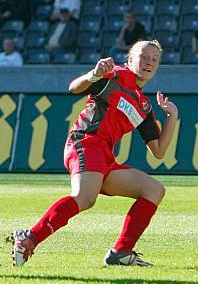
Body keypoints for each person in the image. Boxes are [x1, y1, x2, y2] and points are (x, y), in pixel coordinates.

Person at [10, 40, 179, 267]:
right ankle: (29, 238)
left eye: (154, 60)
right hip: (85, 142)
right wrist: (94, 73)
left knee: (154, 189)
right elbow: (74, 88)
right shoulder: (115, 76)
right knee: (85, 198)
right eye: (144, 56)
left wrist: (172, 118)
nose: (149, 62)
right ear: (130, 60)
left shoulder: (143, 106)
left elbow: (158, 151)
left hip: (104, 156)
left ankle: (122, 252)